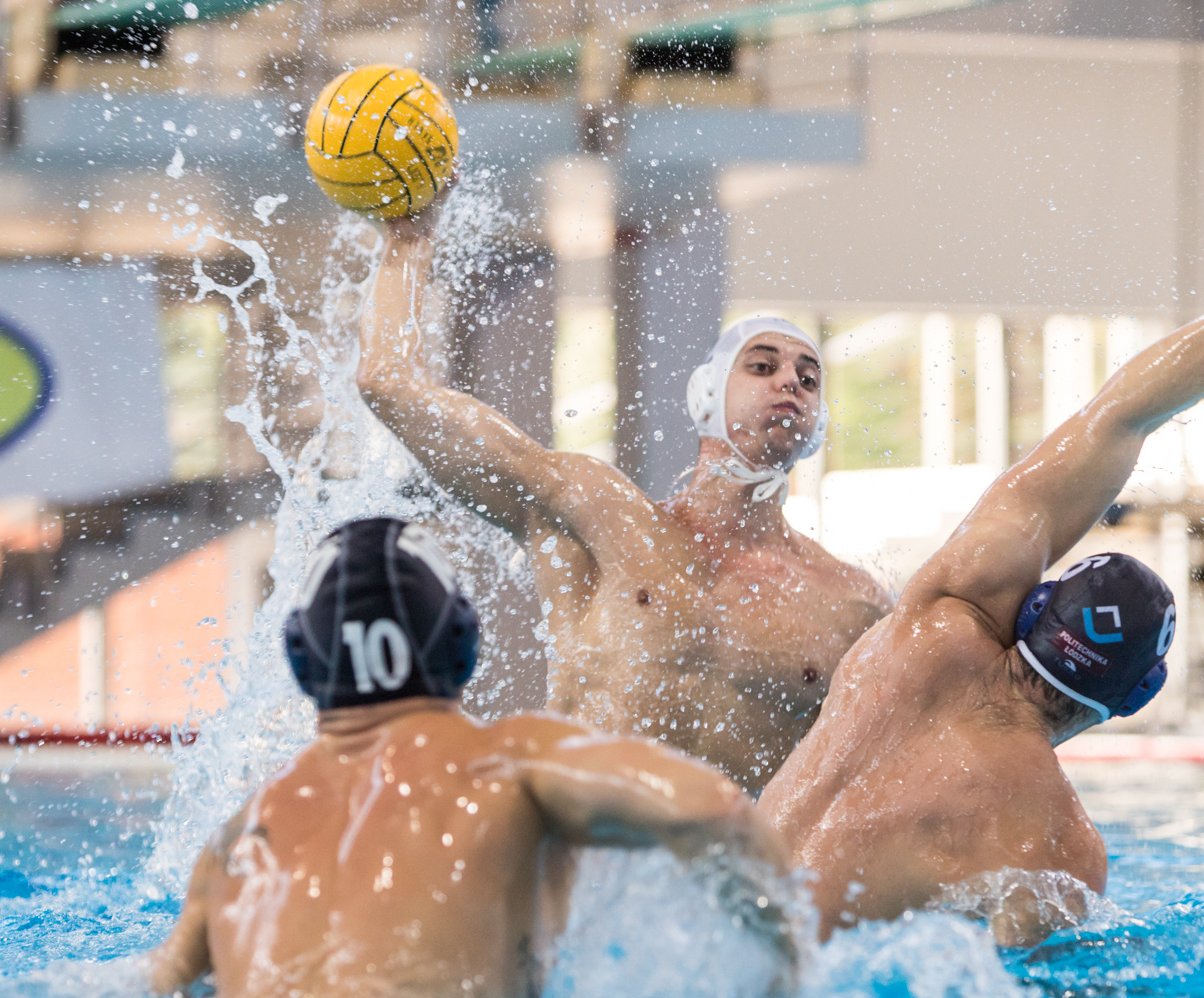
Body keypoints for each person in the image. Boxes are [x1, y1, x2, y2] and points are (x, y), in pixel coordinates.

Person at [759, 198, 1204, 946]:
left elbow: (1120, 414)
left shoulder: (939, 615)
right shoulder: (1057, 845)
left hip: (704, 935)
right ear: (1139, 693)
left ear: (1033, 610)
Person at [146, 517, 791, 998]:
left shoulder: (236, 842)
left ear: (301, 658)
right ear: (461, 639)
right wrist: (788, 983)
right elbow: (715, 810)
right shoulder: (514, 758)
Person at [356, 206, 890, 793]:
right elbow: (388, 383)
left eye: (809, 378)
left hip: (726, 878)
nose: (791, 380)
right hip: (583, 870)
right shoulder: (595, 513)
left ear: (816, 427)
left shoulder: (852, 606)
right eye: (762, 366)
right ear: (706, 396)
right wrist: (410, 237)